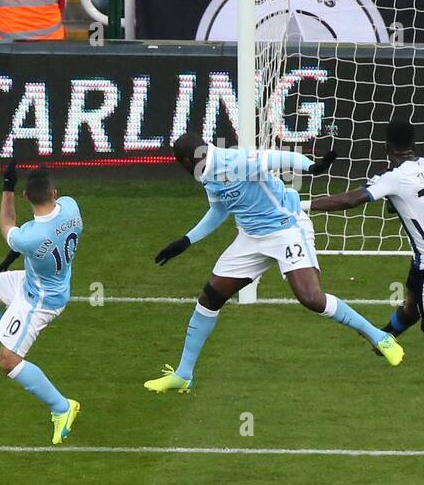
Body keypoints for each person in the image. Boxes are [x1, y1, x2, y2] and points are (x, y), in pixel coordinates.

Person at [145, 134, 404, 394]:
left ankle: (380, 337)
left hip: (286, 227)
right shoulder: (206, 172)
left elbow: (279, 158)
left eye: (180, 163)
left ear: (188, 160)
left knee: (312, 298)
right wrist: (186, 240)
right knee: (210, 297)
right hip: (251, 237)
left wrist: (312, 167)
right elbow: (219, 210)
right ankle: (183, 374)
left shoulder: (234, 160)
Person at [304, 118, 424, 442]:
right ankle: (384, 339)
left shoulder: (393, 178)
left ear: (386, 148)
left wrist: (305, 204)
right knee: (412, 302)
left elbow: (353, 200)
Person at [0, 164, 82, 447]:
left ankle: (62, 407)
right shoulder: (72, 207)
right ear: (55, 193)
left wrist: (6, 188)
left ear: (27, 196)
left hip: (40, 300)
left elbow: (7, 225)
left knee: (9, 360)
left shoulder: (29, 237)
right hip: (38, 280)